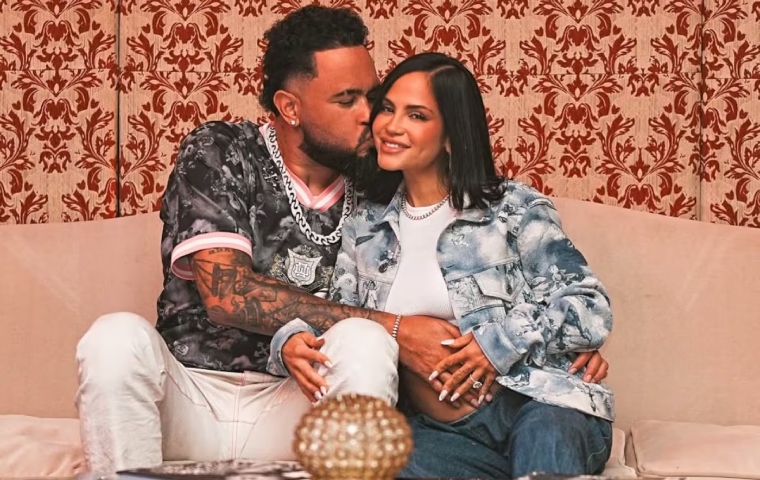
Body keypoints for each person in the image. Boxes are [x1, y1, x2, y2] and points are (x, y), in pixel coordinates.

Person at [75, 6, 609, 473]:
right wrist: (389, 330)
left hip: (307, 407)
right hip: (194, 396)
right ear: (290, 107)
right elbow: (228, 294)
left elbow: (577, 299)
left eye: (375, 99)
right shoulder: (229, 153)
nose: (373, 118)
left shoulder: (392, 189)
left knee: (367, 343)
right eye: (350, 100)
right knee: (113, 337)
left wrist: (550, 340)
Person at [271, 52, 615, 479]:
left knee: (544, 438)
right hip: (443, 435)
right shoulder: (366, 226)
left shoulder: (513, 209)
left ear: (452, 135)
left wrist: (496, 344)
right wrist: (289, 339)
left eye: (416, 115)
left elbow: (588, 306)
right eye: (388, 109)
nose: (391, 126)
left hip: (541, 403)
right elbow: (340, 316)